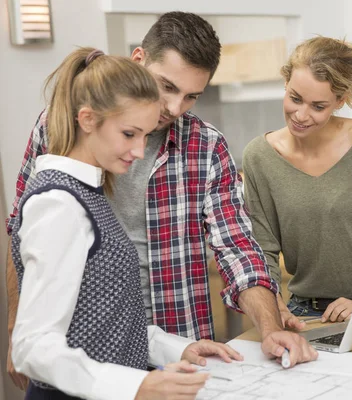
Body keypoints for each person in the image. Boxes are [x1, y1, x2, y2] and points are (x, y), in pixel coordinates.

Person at [6, 12, 317, 391]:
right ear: (138, 61)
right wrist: (19, 328)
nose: (174, 107)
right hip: (86, 362)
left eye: (191, 96)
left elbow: (237, 247)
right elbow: (22, 235)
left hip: (173, 343)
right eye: (166, 86)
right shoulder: (60, 143)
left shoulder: (206, 146)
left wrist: (269, 328)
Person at [11, 47, 246, 400]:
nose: (139, 151)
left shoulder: (89, 193)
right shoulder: (58, 204)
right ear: (87, 119)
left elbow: (106, 320)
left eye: (145, 136)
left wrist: (179, 348)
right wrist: (137, 386)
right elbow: (32, 347)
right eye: (129, 134)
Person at [243, 37, 352, 324]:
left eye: (317, 106)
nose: (300, 115)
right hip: (303, 312)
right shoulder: (259, 157)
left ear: (340, 100)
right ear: (286, 83)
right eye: (295, 98)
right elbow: (264, 247)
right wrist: (275, 306)